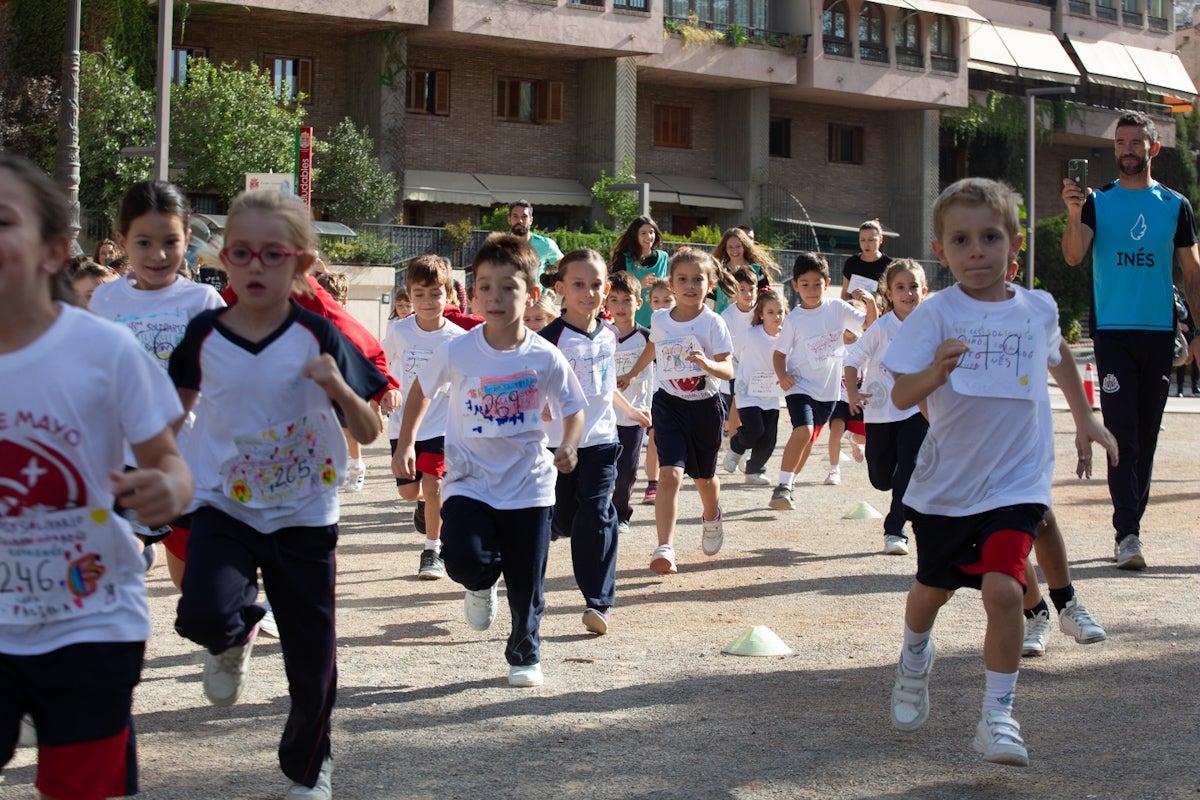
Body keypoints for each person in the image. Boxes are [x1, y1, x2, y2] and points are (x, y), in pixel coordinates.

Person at [884, 177, 1117, 767]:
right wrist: (934, 375)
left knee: (1005, 590)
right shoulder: (936, 314)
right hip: (948, 486)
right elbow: (902, 391)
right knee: (929, 593)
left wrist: (1086, 419)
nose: (976, 251)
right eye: (961, 240)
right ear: (940, 249)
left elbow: (1059, 358)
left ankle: (997, 716)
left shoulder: (1037, 308)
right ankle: (915, 658)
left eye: (990, 237)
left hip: (1016, 480)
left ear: (1014, 244)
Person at [170, 190, 386, 800]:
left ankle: (310, 768)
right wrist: (148, 467)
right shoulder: (204, 335)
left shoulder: (319, 334)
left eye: (273, 254)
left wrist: (339, 387)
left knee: (311, 659)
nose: (256, 265)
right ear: (224, 260)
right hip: (225, 503)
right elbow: (170, 417)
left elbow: (367, 431)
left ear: (302, 264)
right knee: (204, 611)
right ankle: (232, 636)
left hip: (303, 514)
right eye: (242, 253)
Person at [0, 154, 194, 800]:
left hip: (89, 620)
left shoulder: (102, 350)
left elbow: (170, 465)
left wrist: (168, 488)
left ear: (55, 250)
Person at [393, 234, 586, 688]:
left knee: (527, 580)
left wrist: (570, 444)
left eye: (507, 287)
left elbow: (573, 410)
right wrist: (406, 442)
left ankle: (525, 651)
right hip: (470, 480)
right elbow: (421, 390)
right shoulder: (459, 348)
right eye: (485, 287)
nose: (495, 297)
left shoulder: (545, 356)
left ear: (533, 294)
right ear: (473, 293)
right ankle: (480, 583)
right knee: (463, 559)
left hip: (530, 484)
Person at [1062, 111, 1200, 570]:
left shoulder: (1176, 205)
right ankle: (1128, 532)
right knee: (1122, 433)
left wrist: (1197, 332)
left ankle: (1131, 525)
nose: (1127, 149)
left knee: (1145, 436)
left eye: (1136, 142)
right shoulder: (1097, 203)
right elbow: (1074, 254)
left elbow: (1192, 273)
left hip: (1159, 333)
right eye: (1121, 141)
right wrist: (1074, 212)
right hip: (1114, 333)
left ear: (1152, 149)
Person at [88, 180, 225, 583]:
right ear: (121, 240)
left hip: (194, 463)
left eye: (170, 241)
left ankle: (230, 628)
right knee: (118, 551)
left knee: (197, 595)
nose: (158, 254)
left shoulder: (203, 302)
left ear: (187, 238)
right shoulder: (105, 301)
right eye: (144, 242)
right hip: (126, 460)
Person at [542, 251, 650, 635]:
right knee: (565, 521)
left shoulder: (608, 334)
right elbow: (532, 391)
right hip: (557, 449)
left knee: (599, 514)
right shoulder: (547, 340)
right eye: (578, 284)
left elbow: (603, 386)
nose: (588, 292)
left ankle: (599, 603)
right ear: (561, 290)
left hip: (603, 440)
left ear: (605, 290)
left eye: (595, 285)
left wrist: (630, 411)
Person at [618, 248, 734, 575]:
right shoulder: (659, 318)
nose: (690, 285)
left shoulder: (713, 323)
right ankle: (665, 547)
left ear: (710, 284)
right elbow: (654, 346)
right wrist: (631, 373)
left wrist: (706, 363)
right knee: (670, 474)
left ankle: (712, 516)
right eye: (682, 279)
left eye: (698, 279)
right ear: (672, 284)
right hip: (668, 403)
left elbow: (728, 368)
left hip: (705, 408)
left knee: (705, 479)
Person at [382, 254, 466, 579]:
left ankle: (432, 550)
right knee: (409, 491)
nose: (428, 301)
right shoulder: (399, 331)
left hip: (441, 425)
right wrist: (383, 394)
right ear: (409, 295)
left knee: (435, 487)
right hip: (403, 426)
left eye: (435, 293)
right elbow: (382, 365)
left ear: (449, 295)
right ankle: (422, 503)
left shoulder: (458, 338)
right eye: (419, 294)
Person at [768, 252, 874, 511]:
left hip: (827, 393)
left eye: (817, 283)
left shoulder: (837, 309)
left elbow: (871, 327)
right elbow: (779, 354)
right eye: (805, 284)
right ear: (795, 285)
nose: (812, 290)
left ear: (827, 283)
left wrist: (871, 303)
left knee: (808, 439)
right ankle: (781, 486)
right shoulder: (794, 319)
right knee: (802, 431)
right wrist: (783, 376)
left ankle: (789, 484)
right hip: (799, 386)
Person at [844, 259, 929, 555]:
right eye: (901, 287)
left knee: (910, 467)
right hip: (881, 412)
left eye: (914, 287)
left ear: (924, 290)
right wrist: (853, 393)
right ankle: (895, 478)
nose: (908, 293)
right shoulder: (881, 328)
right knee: (881, 480)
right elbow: (852, 360)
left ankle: (895, 530)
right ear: (889, 293)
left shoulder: (932, 327)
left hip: (917, 410)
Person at [606, 271, 654, 534]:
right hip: (605, 415)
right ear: (607, 304)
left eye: (627, 300)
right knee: (605, 469)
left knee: (627, 469)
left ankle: (621, 514)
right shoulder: (603, 335)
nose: (621, 306)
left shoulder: (649, 338)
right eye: (614, 300)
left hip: (635, 415)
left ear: (639, 302)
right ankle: (602, 511)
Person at [723, 288, 787, 485]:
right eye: (770, 312)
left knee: (769, 438)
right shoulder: (750, 334)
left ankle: (755, 470)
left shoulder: (786, 337)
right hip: (747, 392)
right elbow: (732, 352)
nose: (776, 316)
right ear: (761, 314)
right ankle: (735, 448)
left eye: (780, 312)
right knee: (754, 429)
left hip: (771, 395)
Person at [641, 279, 676, 504]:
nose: (661, 304)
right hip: (655, 390)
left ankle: (673, 475)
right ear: (649, 303)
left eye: (667, 299)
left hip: (682, 391)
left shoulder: (687, 325)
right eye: (656, 300)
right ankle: (652, 483)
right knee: (654, 436)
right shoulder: (647, 330)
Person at [609, 215, 669, 327]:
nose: (649, 236)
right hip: (630, 322)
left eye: (651, 232)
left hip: (657, 321)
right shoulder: (624, 259)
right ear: (635, 235)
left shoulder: (664, 257)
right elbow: (614, 290)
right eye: (643, 233)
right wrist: (639, 285)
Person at [711, 227, 780, 314]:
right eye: (730, 247)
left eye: (738, 246)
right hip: (724, 321)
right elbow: (712, 301)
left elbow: (766, 298)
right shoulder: (719, 272)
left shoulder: (757, 271)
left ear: (744, 246)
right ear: (725, 248)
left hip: (751, 319)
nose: (734, 250)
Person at [840, 219, 892, 301]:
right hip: (855, 311)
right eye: (862, 240)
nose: (866, 244)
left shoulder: (889, 265)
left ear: (880, 240)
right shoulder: (851, 262)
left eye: (871, 240)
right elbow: (844, 295)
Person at [508, 200, 563, 276]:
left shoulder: (546, 244)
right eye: (515, 216)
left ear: (531, 220)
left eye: (524, 217)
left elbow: (566, 268)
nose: (519, 221)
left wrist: (554, 285)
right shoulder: (499, 247)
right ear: (509, 220)